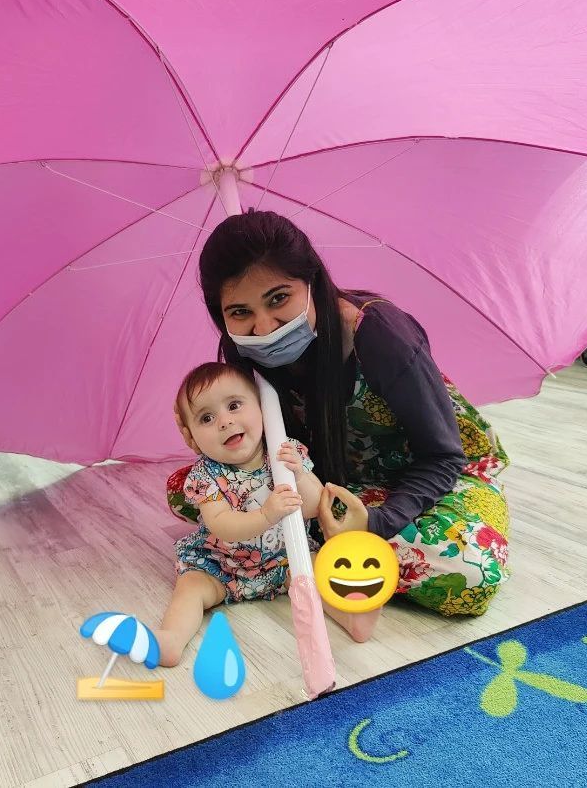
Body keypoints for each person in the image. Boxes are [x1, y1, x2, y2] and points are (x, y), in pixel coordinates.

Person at [168, 209, 510, 618]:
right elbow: (255, 450)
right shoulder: (243, 356)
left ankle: (313, 553)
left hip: (431, 482)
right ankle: (328, 555)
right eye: (240, 312)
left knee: (470, 572)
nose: (264, 327)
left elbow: (443, 457)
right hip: (324, 482)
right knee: (190, 490)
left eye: (279, 298)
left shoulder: (379, 334)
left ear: (311, 281)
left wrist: (374, 525)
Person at [155, 361, 380, 667]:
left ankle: (352, 617)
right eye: (207, 418)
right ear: (192, 438)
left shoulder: (285, 452)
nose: (224, 421)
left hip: (284, 558)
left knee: (315, 572)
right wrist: (267, 514)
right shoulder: (206, 475)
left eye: (234, 405)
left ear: (263, 409)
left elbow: (314, 505)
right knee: (191, 588)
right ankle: (171, 638)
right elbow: (222, 525)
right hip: (222, 564)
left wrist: (299, 474)